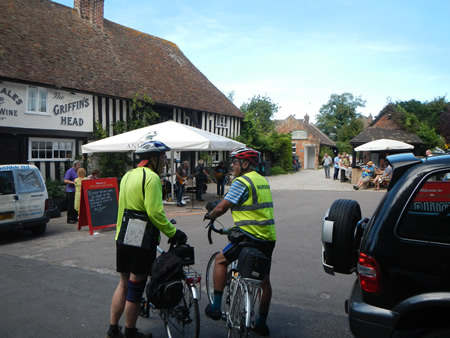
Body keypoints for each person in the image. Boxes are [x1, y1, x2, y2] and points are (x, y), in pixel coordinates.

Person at [106, 141, 187, 338]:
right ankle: (131, 332)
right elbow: (155, 213)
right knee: (135, 285)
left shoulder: (127, 175)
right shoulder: (151, 178)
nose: (165, 161)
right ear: (153, 159)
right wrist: (173, 233)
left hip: (123, 236)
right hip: (141, 240)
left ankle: (113, 328)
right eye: (163, 157)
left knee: (123, 284)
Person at [204, 147, 276, 336]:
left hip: (249, 237)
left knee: (220, 260)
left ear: (245, 164)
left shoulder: (241, 181)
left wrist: (210, 215)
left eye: (235, 163)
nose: (232, 167)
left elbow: (222, 207)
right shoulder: (262, 181)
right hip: (268, 237)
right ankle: (261, 323)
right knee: (264, 280)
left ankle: (216, 307)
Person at [64, 160, 81, 224]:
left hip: (77, 191)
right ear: (75, 165)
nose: (79, 166)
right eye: (78, 165)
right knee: (70, 205)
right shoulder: (70, 171)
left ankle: (75, 217)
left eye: (80, 165)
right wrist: (73, 182)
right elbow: (66, 181)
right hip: (70, 190)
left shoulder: (78, 171)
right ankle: (70, 218)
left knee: (76, 204)